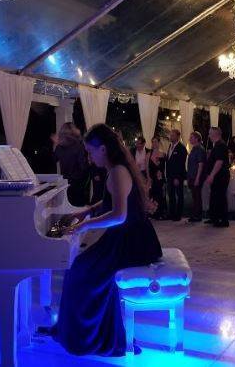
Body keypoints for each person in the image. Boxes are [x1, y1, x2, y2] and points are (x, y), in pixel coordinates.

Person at [51, 124, 162, 356]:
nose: (89, 158)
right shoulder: (116, 169)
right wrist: (85, 211)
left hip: (132, 241)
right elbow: (109, 203)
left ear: (103, 149)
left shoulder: (118, 172)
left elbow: (119, 215)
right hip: (126, 236)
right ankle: (84, 330)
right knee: (79, 266)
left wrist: (85, 225)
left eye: (90, 152)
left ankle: (88, 337)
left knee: (81, 269)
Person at [53, 122, 89, 206]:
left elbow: (53, 160)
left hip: (65, 182)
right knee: (78, 206)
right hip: (78, 183)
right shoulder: (80, 146)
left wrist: (55, 144)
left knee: (67, 207)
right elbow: (83, 166)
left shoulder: (59, 147)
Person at [204, 127, 230, 228]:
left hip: (220, 176)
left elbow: (219, 162)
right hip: (218, 176)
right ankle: (214, 217)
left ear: (216, 134)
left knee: (220, 197)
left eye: (210, 133)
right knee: (214, 196)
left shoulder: (220, 145)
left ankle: (223, 220)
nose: (209, 135)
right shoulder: (217, 145)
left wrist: (212, 175)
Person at [165, 129, 187, 221]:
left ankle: (178, 215)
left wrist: (177, 177)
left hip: (177, 176)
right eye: (170, 135)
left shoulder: (181, 148)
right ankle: (172, 213)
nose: (170, 137)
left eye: (172, 135)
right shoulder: (170, 146)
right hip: (170, 176)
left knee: (179, 195)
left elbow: (181, 164)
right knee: (171, 195)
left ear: (178, 136)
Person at [186, 131, 206, 223]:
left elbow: (201, 165)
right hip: (192, 176)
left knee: (197, 196)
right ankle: (195, 215)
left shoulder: (200, 149)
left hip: (196, 177)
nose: (190, 139)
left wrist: (197, 178)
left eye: (191, 137)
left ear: (197, 139)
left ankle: (197, 216)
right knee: (195, 196)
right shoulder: (194, 149)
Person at [148, 137, 167, 220]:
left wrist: (163, 176)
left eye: (155, 142)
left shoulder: (163, 154)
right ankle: (153, 213)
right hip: (152, 179)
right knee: (153, 195)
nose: (154, 143)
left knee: (160, 195)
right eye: (153, 142)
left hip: (160, 178)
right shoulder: (149, 154)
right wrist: (148, 178)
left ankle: (161, 213)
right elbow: (147, 168)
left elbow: (164, 168)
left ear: (159, 143)